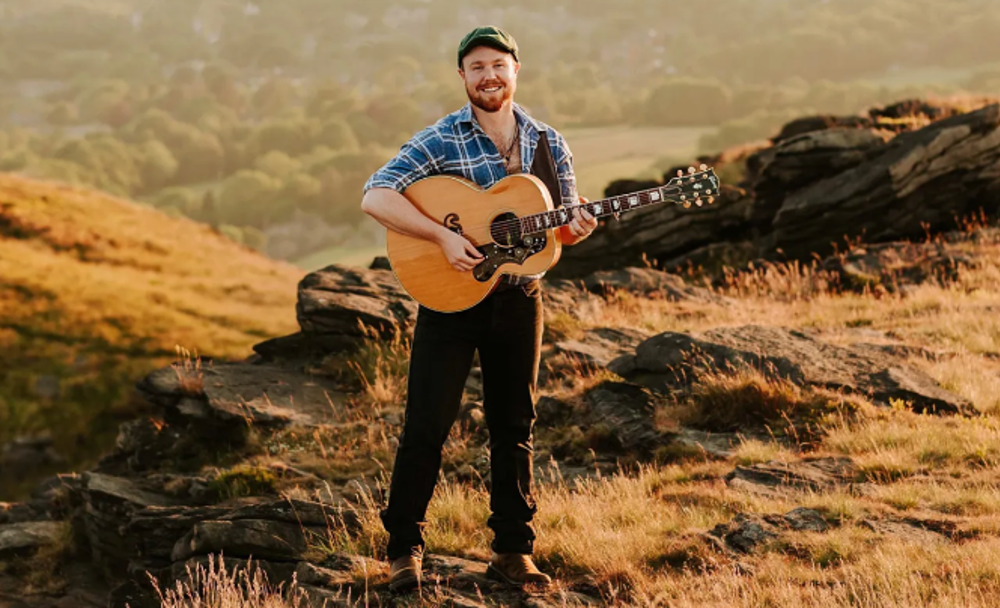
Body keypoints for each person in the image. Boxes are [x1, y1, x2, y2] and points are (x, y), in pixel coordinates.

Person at [360, 25, 597, 592]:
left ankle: (513, 551)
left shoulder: (548, 143)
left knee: (514, 425)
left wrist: (578, 227)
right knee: (426, 425)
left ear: (515, 70)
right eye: (477, 67)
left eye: (498, 65)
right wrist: (441, 236)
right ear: (463, 76)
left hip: (519, 299)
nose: (489, 76)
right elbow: (376, 194)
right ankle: (403, 550)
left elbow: (558, 234)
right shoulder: (442, 138)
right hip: (451, 300)